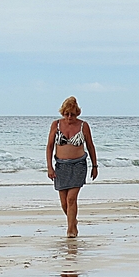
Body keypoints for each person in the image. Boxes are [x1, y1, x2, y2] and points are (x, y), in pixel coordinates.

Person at [46, 96, 98, 237]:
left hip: (78, 165)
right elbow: (50, 147)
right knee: (64, 202)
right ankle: (73, 221)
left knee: (71, 199)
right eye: (66, 114)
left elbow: (90, 146)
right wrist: (49, 167)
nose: (69, 117)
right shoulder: (55, 125)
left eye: (73, 114)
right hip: (61, 166)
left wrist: (95, 165)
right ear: (62, 113)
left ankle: (71, 230)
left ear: (77, 113)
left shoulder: (83, 126)